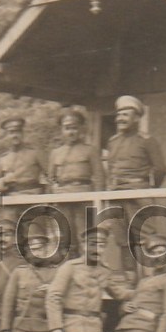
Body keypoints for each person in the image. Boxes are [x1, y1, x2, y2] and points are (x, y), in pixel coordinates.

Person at [46, 226, 131, 332]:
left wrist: (143, 290)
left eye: (101, 245)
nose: (97, 249)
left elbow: (120, 293)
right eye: (93, 244)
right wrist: (56, 328)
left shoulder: (105, 271)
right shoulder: (70, 268)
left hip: (93, 330)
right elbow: (54, 297)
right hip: (70, 327)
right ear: (84, 245)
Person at [105, 95, 166, 264]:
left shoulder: (147, 141)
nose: (120, 119)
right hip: (116, 196)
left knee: (145, 238)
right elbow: (110, 169)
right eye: (119, 115)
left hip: (138, 195)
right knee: (122, 240)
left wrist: (148, 189)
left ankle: (149, 280)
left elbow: (161, 169)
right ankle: (130, 283)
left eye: (125, 114)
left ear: (137, 118)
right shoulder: (113, 142)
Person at [48, 106, 105, 253]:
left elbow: (99, 177)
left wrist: (98, 201)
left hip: (84, 197)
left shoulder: (90, 150)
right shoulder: (55, 153)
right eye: (67, 128)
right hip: (63, 198)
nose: (71, 132)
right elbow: (50, 179)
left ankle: (88, 268)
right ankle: (70, 269)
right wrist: (51, 202)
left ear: (80, 129)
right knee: (66, 237)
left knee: (85, 235)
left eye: (74, 128)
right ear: (61, 130)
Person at [0, 116, 48, 196]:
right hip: (10, 197)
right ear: (6, 136)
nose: (15, 135)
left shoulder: (35, 153)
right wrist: (5, 180)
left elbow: (50, 176)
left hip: (33, 195)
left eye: (18, 132)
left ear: (22, 134)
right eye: (11, 132)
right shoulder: (3, 159)